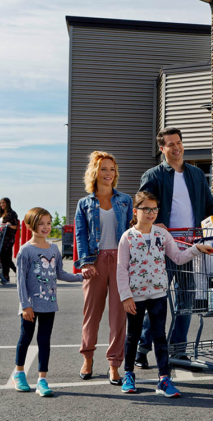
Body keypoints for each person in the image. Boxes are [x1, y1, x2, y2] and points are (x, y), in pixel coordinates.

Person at [135, 127, 213, 370]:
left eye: (179, 142)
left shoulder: (196, 174)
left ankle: (178, 351)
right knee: (158, 303)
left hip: (190, 249)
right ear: (162, 149)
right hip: (163, 249)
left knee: (186, 301)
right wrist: (154, 221)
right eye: (170, 144)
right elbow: (142, 205)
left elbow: (209, 204)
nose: (176, 147)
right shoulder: (153, 175)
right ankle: (142, 348)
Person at [117, 191, 213, 396]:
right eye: (146, 209)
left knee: (159, 336)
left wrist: (197, 249)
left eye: (154, 209)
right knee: (132, 336)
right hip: (135, 297)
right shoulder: (127, 237)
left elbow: (178, 257)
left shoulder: (162, 234)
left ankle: (164, 379)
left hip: (158, 294)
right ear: (135, 211)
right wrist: (125, 296)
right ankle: (128, 374)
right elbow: (121, 269)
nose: (151, 213)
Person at [13, 207, 92, 396]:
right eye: (41, 223)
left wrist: (82, 277)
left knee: (44, 341)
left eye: (48, 223)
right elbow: (20, 281)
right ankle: (19, 373)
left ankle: (42, 379)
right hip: (30, 305)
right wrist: (25, 305)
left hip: (49, 304)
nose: (45, 227)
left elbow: (59, 274)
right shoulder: (25, 251)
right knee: (25, 338)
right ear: (31, 225)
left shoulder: (54, 249)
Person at [75, 151, 133, 385]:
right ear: (95, 172)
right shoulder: (84, 203)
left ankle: (114, 364)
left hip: (121, 262)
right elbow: (80, 234)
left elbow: (132, 232)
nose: (109, 173)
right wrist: (85, 263)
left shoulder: (125, 200)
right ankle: (87, 358)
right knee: (91, 314)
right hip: (95, 262)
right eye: (104, 169)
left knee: (119, 317)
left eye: (112, 169)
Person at [0, 197, 19, 282]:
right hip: (1, 238)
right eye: (1, 203)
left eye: (3, 203)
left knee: (5, 257)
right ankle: (6, 275)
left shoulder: (12, 213)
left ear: (7, 203)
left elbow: (15, 226)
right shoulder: (1, 214)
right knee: (2, 257)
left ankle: (14, 272)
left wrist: (9, 225)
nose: (2, 204)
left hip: (8, 239)